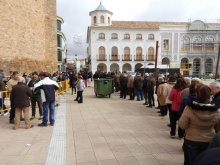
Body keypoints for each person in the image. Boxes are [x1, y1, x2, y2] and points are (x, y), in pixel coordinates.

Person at [179, 85, 220, 165]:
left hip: (192, 138)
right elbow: (218, 127)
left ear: (197, 94)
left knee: (192, 161)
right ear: (209, 94)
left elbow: (182, 125)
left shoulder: (189, 108)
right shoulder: (216, 110)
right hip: (209, 139)